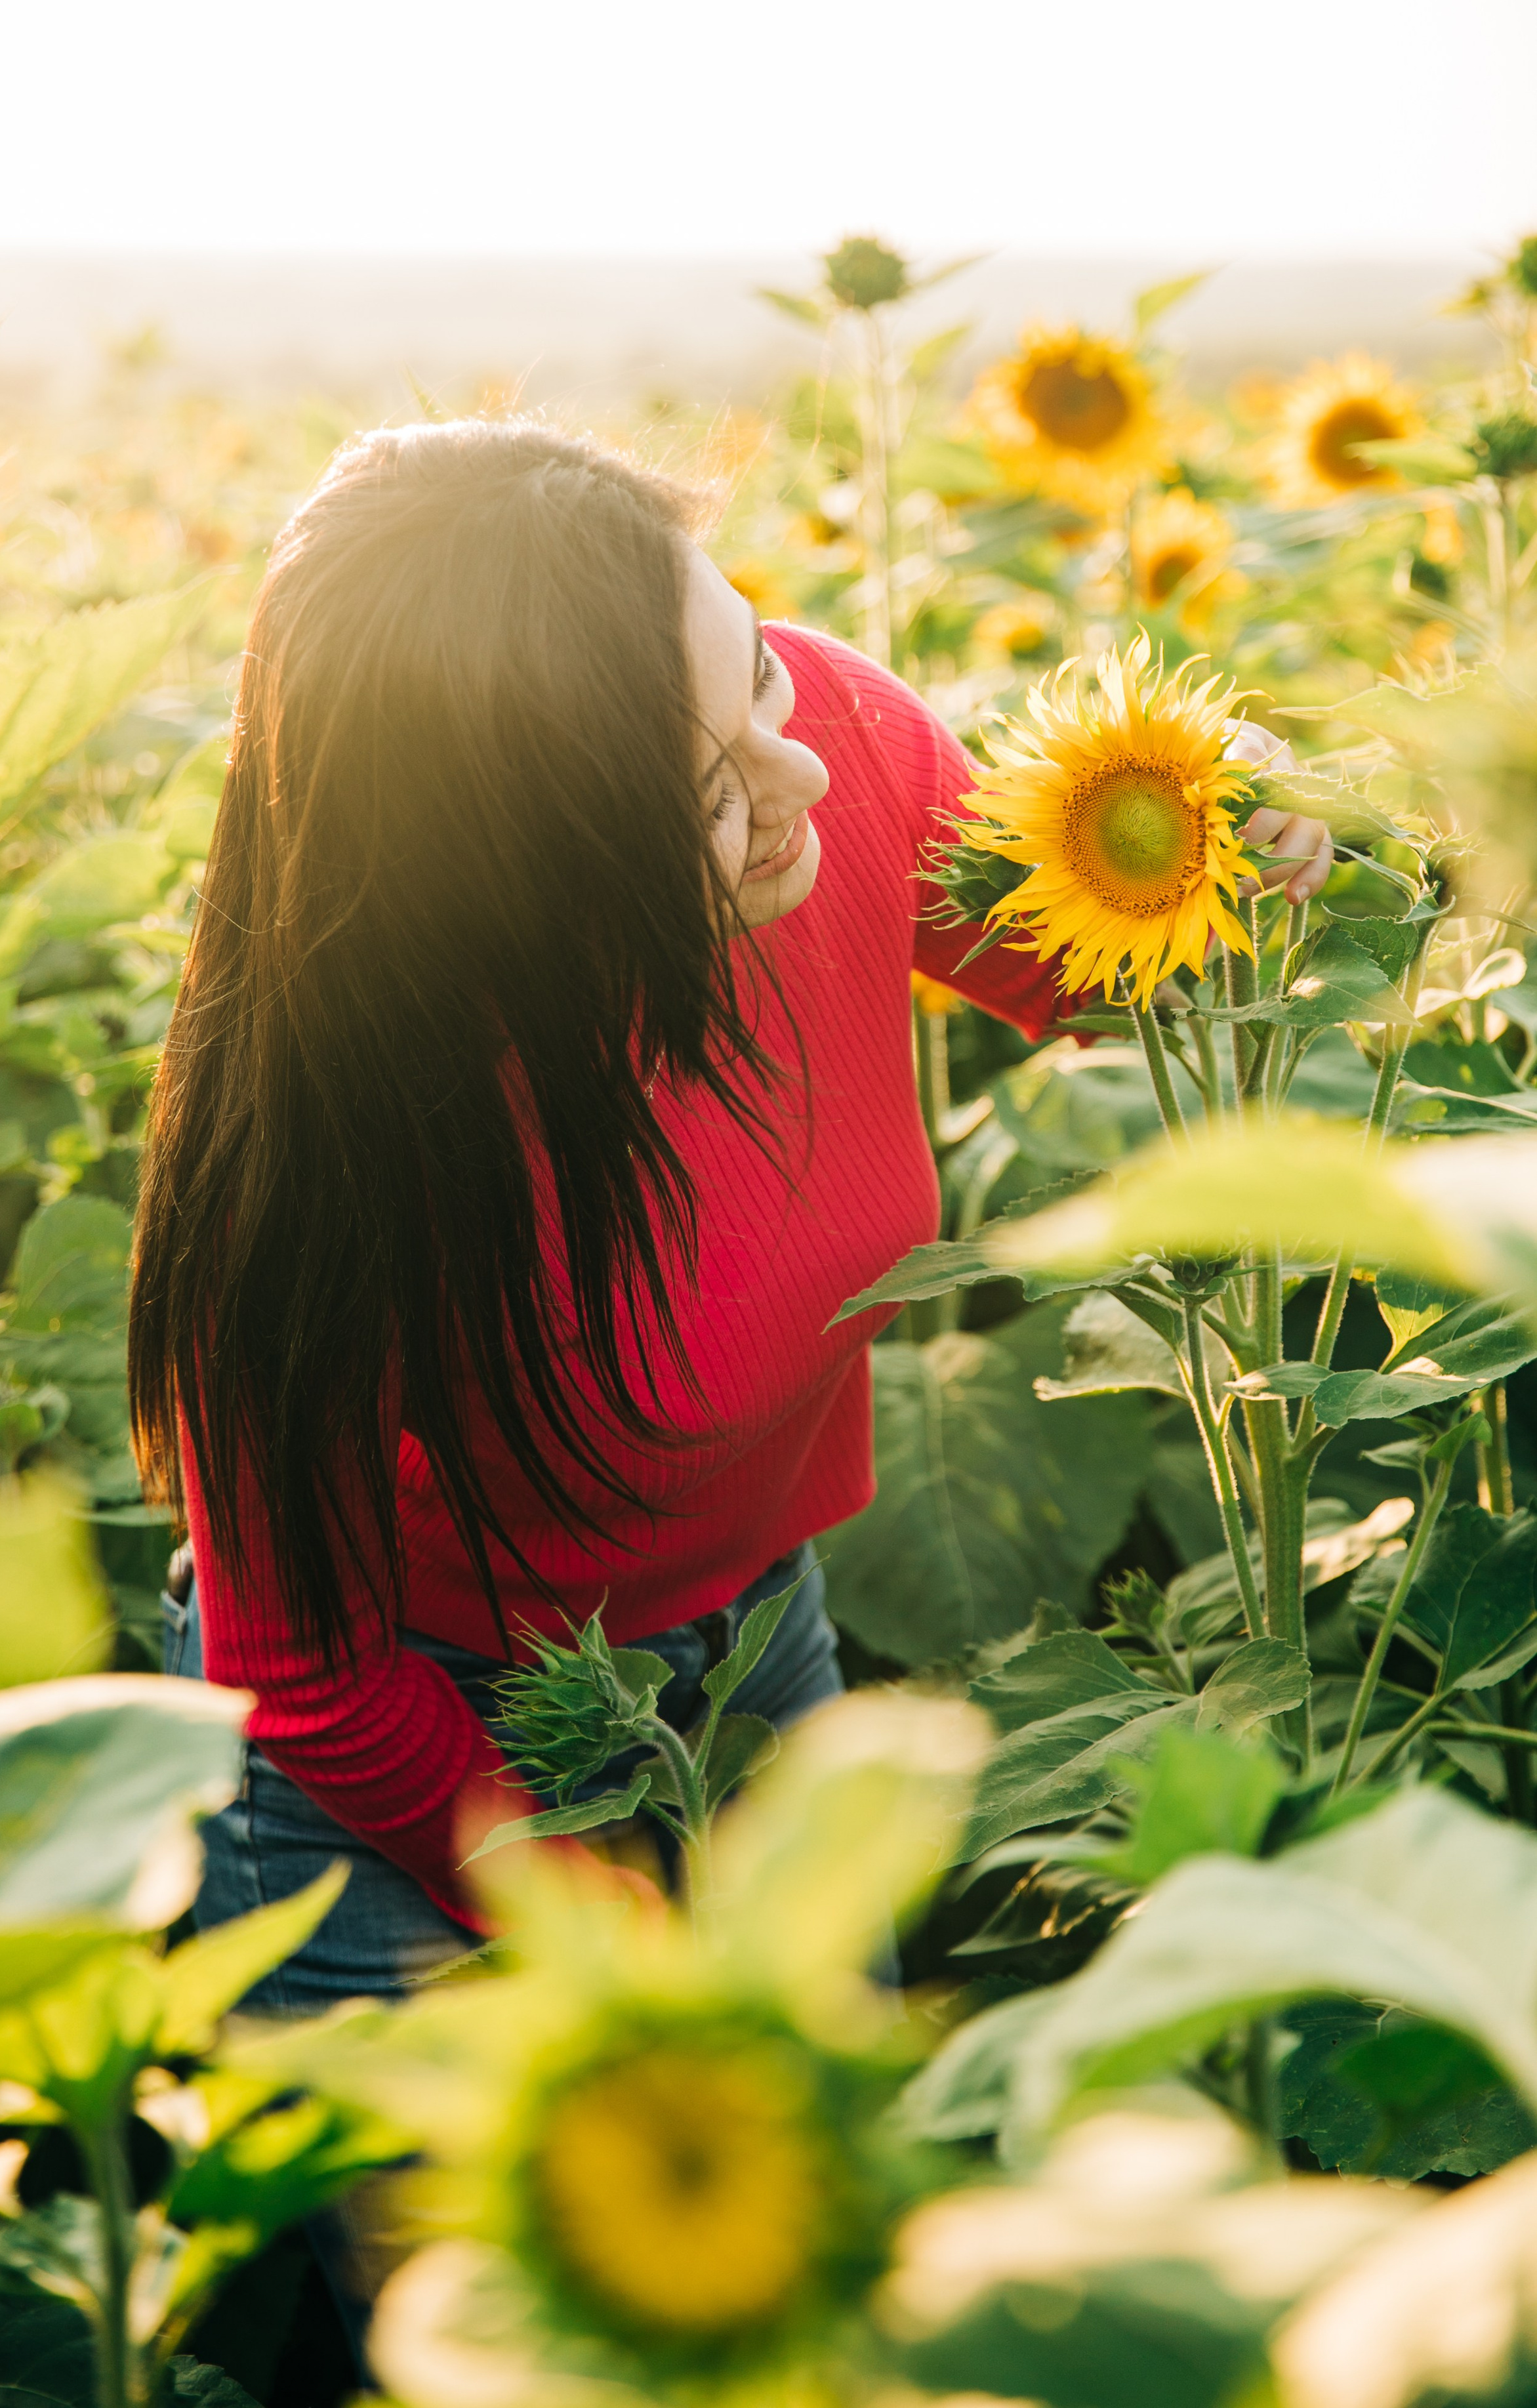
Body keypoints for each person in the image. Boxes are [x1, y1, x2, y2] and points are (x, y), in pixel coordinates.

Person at [133, 421, 1331, 2009]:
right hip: (416, 1767)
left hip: (763, 1646)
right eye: (698, 791)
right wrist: (630, 1951)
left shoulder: (823, 742)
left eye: (753, 662)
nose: (806, 770)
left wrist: (1221, 858)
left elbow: (1090, 973)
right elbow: (312, 1683)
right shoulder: (329, 1154)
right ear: (505, 871)